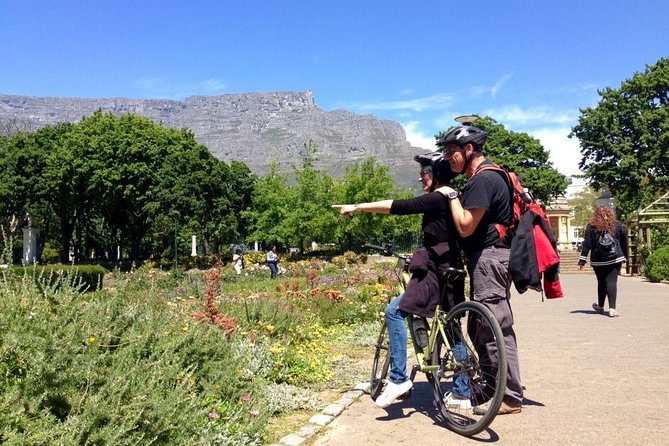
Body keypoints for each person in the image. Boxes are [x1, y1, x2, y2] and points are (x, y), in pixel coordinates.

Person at [333, 152, 465, 409]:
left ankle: (398, 378)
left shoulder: (437, 197)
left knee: (393, 311)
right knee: (451, 326)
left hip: (434, 273)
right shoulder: (455, 197)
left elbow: (399, 206)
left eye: (424, 173)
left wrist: (358, 207)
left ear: (436, 174)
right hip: (454, 270)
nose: (420, 178)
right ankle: (462, 392)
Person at [435, 122, 523, 415]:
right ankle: (494, 389)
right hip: (492, 258)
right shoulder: (493, 175)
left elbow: (465, 226)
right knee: (484, 325)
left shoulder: (482, 181)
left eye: (451, 152)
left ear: (468, 149)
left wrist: (450, 196)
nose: (448, 158)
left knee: (493, 327)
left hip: (489, 259)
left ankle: (508, 397)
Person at [578, 205, 628, 317]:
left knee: (601, 282)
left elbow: (587, 244)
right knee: (612, 282)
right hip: (615, 258)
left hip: (598, 260)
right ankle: (612, 309)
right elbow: (624, 242)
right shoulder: (617, 224)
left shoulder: (591, 227)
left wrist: (582, 260)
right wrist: (625, 256)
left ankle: (600, 306)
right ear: (609, 214)